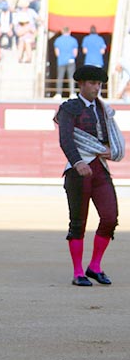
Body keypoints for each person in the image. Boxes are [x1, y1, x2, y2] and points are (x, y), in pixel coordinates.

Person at [54, 65, 125, 286]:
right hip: (78, 172)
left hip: (100, 168)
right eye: (93, 83)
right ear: (81, 84)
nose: (97, 88)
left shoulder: (104, 109)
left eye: (99, 84)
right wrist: (77, 162)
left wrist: (110, 150)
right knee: (78, 222)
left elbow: (109, 139)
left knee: (110, 217)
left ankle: (94, 266)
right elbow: (66, 138)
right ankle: (78, 272)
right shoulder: (69, 108)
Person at [54, 27, 79, 98]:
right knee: (71, 77)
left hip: (61, 61)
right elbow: (75, 53)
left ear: (62, 31)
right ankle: (72, 93)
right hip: (71, 60)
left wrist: (61, 57)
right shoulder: (73, 40)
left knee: (60, 77)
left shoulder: (58, 40)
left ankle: (58, 93)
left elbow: (57, 53)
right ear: (69, 31)